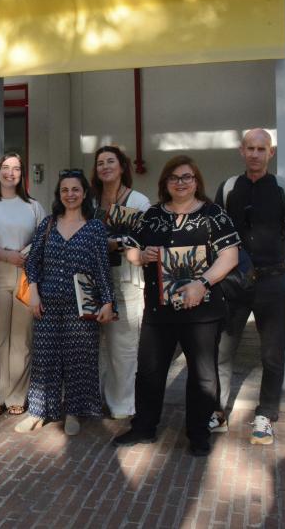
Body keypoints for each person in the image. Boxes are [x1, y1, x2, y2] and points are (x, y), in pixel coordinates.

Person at [113, 155, 239, 457]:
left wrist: (202, 284)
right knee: (149, 372)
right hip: (159, 309)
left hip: (203, 311)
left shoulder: (214, 214)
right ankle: (144, 427)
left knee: (203, 374)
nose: (181, 183)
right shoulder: (152, 214)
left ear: (196, 181)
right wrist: (141, 256)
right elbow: (130, 248)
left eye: (187, 177)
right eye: (174, 178)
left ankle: (198, 434)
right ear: (165, 183)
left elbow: (230, 257)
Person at [212, 129, 285, 445]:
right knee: (222, 351)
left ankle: (265, 415)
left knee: (272, 356)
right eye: (249, 148)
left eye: (260, 148)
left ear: (271, 152)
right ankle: (218, 411)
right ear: (241, 151)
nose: (255, 154)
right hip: (234, 284)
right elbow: (216, 237)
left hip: (274, 282)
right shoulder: (227, 189)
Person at [13, 169, 115, 437]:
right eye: (65, 190)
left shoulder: (94, 227)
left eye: (75, 190)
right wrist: (33, 292)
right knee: (45, 358)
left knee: (78, 359)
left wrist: (107, 302)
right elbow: (33, 261)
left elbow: (102, 268)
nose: (70, 195)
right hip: (46, 303)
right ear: (59, 195)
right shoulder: (47, 224)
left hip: (82, 306)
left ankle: (73, 412)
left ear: (84, 194)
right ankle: (37, 412)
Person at [0, 153, 45, 417]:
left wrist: (26, 254)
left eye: (16, 168)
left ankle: (16, 394)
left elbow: (42, 240)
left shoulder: (33, 206)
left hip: (25, 277)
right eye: (5, 167)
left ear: (22, 173)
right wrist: (7, 255)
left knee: (22, 340)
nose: (10, 173)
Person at [91, 146, 151, 420]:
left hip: (126, 279)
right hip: (91, 279)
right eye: (100, 162)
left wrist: (114, 243)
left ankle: (122, 404)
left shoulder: (138, 201)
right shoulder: (89, 200)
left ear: (122, 166)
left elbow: (145, 240)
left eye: (110, 161)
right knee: (93, 345)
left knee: (123, 346)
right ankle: (92, 400)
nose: (105, 166)